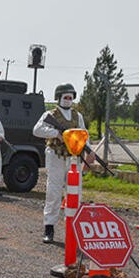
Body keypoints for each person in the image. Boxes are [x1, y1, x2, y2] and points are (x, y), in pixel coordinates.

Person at [32, 83, 94, 243]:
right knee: (53, 192)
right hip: (56, 156)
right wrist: (57, 134)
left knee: (75, 192)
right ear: (58, 97)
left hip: (73, 158)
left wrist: (90, 151)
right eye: (65, 97)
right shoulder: (50, 114)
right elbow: (37, 130)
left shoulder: (77, 116)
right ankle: (49, 227)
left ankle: (73, 228)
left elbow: (84, 134)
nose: (68, 100)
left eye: (70, 97)